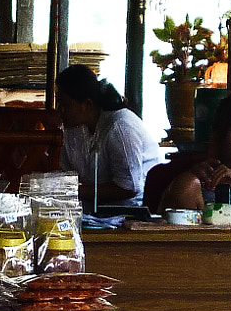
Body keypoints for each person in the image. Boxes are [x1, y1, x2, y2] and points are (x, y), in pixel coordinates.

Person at [56, 65, 158, 207]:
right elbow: (66, 175)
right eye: (58, 103)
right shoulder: (72, 130)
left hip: (134, 211)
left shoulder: (120, 126)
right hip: (95, 211)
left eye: (64, 104)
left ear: (87, 104)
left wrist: (73, 190)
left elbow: (129, 187)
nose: (59, 110)